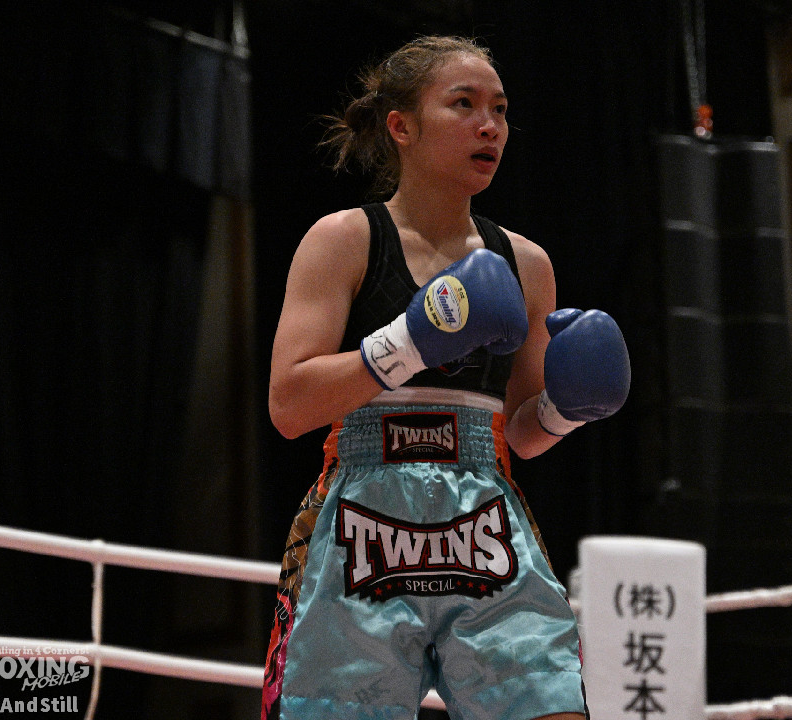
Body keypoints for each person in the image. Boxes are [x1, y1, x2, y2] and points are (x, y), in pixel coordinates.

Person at [261, 35, 630, 720]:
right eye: (464, 104)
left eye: (500, 109)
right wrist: (412, 341)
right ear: (401, 127)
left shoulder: (526, 262)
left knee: (552, 706)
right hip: (361, 516)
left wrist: (567, 407)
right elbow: (289, 404)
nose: (490, 126)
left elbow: (523, 434)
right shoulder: (344, 240)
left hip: (483, 519)